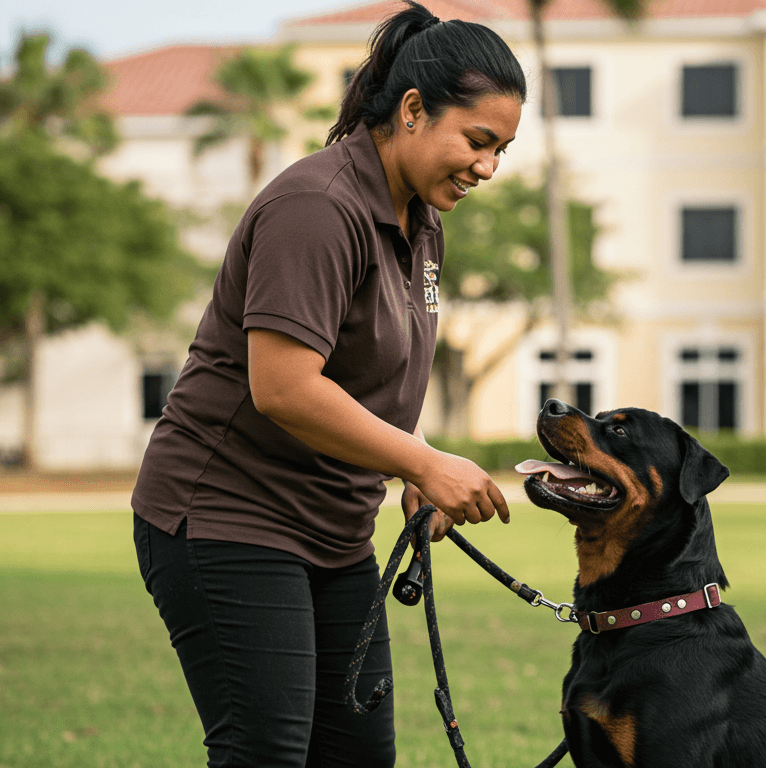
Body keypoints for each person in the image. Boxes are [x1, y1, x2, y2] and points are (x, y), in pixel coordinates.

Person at [130, 3, 525, 765]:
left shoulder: (421, 219)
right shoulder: (317, 207)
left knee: (357, 754)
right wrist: (419, 463)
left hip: (335, 532)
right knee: (265, 753)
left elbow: (364, 376)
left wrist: (410, 460)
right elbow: (283, 386)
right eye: (477, 141)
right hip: (226, 517)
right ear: (412, 110)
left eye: (502, 150)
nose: (488, 168)